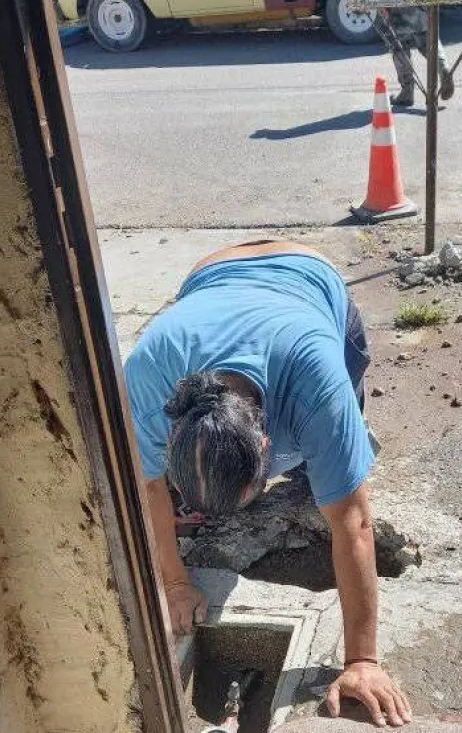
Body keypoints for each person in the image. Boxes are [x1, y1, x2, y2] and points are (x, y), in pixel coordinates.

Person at [124, 240, 413, 728]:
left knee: (331, 477)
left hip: (309, 279)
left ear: (266, 445)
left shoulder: (316, 384)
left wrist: (362, 662)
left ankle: (324, 462)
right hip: (212, 272)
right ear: (175, 427)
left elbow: (354, 522)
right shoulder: (148, 378)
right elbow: (149, 486)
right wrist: (174, 582)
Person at [380, 6, 455, 108]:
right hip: (419, 11)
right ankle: (443, 68)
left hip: (397, 14)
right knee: (429, 41)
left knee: (399, 48)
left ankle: (407, 92)